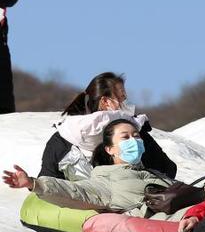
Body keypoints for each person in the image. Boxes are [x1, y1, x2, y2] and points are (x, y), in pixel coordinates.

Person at [3, 118, 176, 215]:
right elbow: (76, 191)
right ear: (110, 149)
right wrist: (34, 183)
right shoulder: (105, 180)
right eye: (125, 137)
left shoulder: (152, 173)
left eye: (137, 136)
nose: (134, 141)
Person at [39, 71, 176, 180]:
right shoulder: (135, 135)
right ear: (105, 102)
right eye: (122, 98)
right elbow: (167, 170)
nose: (128, 105)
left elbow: (46, 183)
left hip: (83, 213)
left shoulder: (62, 138)